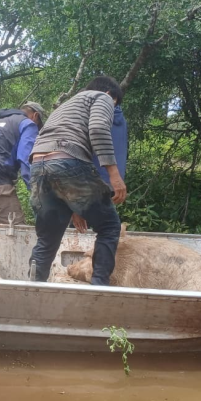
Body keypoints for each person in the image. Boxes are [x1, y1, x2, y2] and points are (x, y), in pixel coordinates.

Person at [28, 76, 127, 285]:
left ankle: (32, 290)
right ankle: (99, 289)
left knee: (47, 238)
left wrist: (75, 207)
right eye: (114, 104)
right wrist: (114, 175)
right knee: (109, 226)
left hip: (38, 165)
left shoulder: (66, 106)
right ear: (110, 94)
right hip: (67, 159)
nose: (112, 108)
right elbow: (98, 129)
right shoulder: (102, 97)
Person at [73, 100, 128, 233]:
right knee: (108, 228)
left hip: (91, 181)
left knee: (82, 228)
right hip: (109, 182)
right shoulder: (118, 117)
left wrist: (75, 207)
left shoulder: (95, 113)